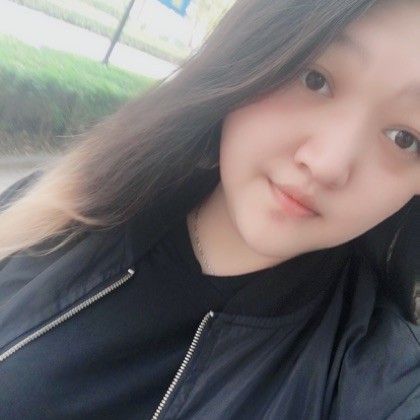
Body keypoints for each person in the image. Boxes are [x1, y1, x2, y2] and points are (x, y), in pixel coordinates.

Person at [0, 0, 419, 418]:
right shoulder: (70, 202)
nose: (328, 164)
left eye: (405, 138)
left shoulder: (380, 379)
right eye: (315, 79)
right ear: (253, 52)